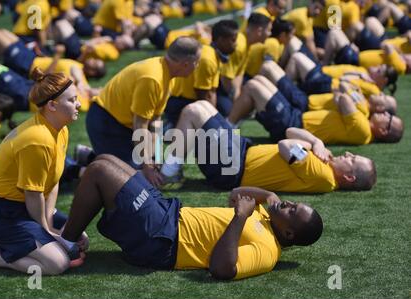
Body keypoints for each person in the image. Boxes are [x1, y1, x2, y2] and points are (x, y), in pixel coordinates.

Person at [54, 154, 323, 280]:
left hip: (164, 240)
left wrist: (240, 218)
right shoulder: (266, 216)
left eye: (292, 210)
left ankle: (65, 244)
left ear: (289, 234)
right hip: (169, 213)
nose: (288, 204)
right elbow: (235, 194)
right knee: (106, 159)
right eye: (292, 203)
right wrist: (270, 196)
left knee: (100, 171)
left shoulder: (268, 251)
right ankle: (71, 233)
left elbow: (222, 270)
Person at [0, 68, 86, 275]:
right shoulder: (37, 139)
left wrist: (48, 227)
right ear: (52, 105)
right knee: (57, 264)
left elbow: (53, 181)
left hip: (27, 206)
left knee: (80, 239)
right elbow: (33, 194)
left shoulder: (61, 129)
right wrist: (48, 231)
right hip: (1, 212)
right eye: (72, 100)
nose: (79, 104)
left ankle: (17, 243)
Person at [159, 100, 377, 193]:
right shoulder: (324, 163)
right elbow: (291, 131)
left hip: (232, 170)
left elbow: (285, 145)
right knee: (202, 106)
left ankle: (168, 173)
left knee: (193, 112)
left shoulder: (323, 176)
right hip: (240, 154)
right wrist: (317, 142)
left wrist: (311, 146)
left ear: (349, 177)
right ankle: (172, 168)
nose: (348, 154)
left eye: (353, 159)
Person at [86, 36, 201, 186]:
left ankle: (88, 156)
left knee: (143, 171)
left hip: (123, 124)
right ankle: (85, 162)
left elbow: (155, 121)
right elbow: (140, 125)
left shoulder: (167, 75)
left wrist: (155, 158)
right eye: (196, 62)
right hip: (106, 124)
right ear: (185, 64)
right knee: (130, 182)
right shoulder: (153, 79)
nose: (198, 66)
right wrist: (146, 166)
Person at [227, 62, 404, 144]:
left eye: (389, 119)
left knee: (252, 86)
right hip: (298, 116)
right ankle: (232, 122)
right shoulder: (363, 118)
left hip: (293, 126)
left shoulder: (364, 130)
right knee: (258, 79)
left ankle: (225, 132)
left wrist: (344, 95)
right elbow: (343, 94)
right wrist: (344, 95)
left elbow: (342, 97)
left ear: (383, 130)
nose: (386, 115)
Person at [164, 20, 239, 125]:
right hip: (182, 102)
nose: (236, 44)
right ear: (221, 40)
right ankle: (172, 126)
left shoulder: (214, 54)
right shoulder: (208, 59)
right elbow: (203, 95)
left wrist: (216, 117)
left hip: (191, 99)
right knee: (210, 134)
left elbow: (211, 92)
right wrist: (212, 121)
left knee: (225, 110)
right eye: (233, 40)